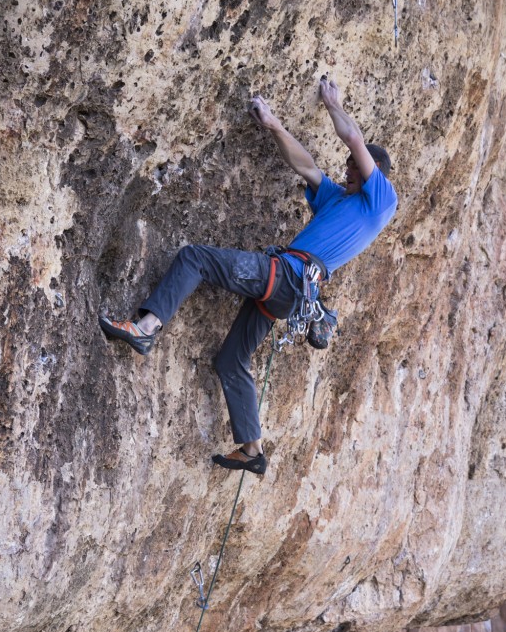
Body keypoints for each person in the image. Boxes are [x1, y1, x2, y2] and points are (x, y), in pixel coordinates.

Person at [99, 77, 397, 476]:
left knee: (195, 258)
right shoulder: (341, 200)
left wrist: (332, 103)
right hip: (292, 293)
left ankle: (146, 327)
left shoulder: (380, 201)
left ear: (372, 171)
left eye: (353, 171)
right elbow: (307, 165)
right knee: (231, 358)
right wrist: (273, 126)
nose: (346, 175)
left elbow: (355, 140)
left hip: (289, 277)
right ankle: (252, 448)